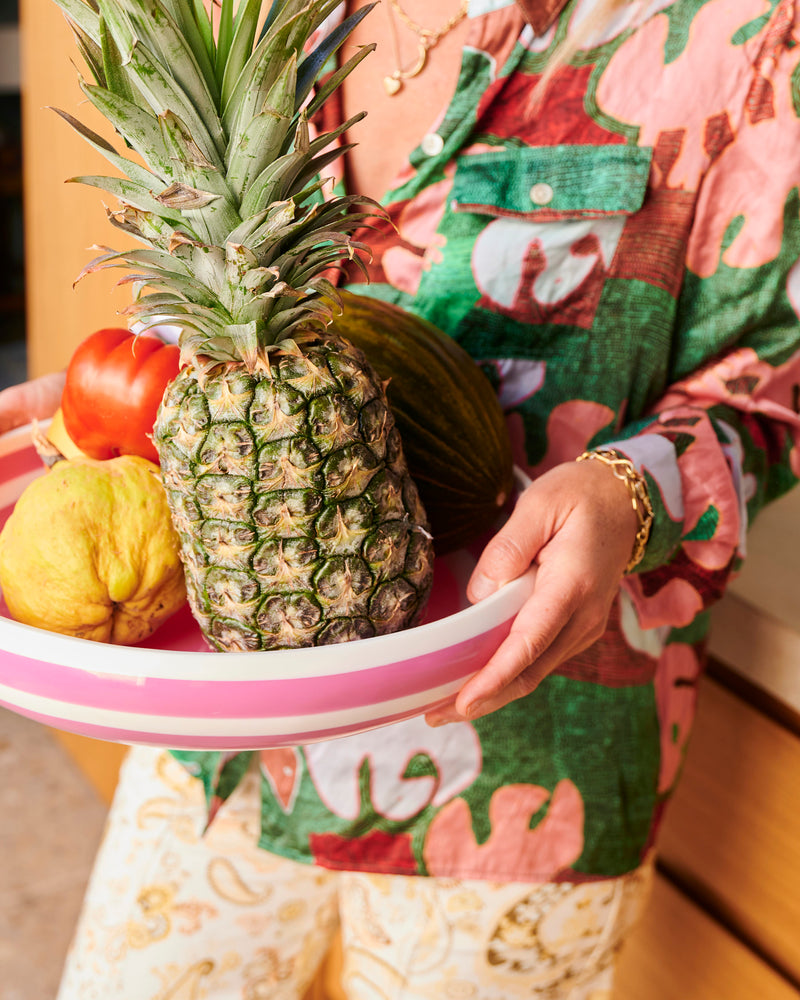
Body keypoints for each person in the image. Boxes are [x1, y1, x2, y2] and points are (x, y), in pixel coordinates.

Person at [4, 0, 800, 995]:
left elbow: (772, 382)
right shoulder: (278, 21)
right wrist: (114, 397)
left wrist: (627, 490)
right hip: (221, 729)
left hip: (519, 766)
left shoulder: (740, 31)